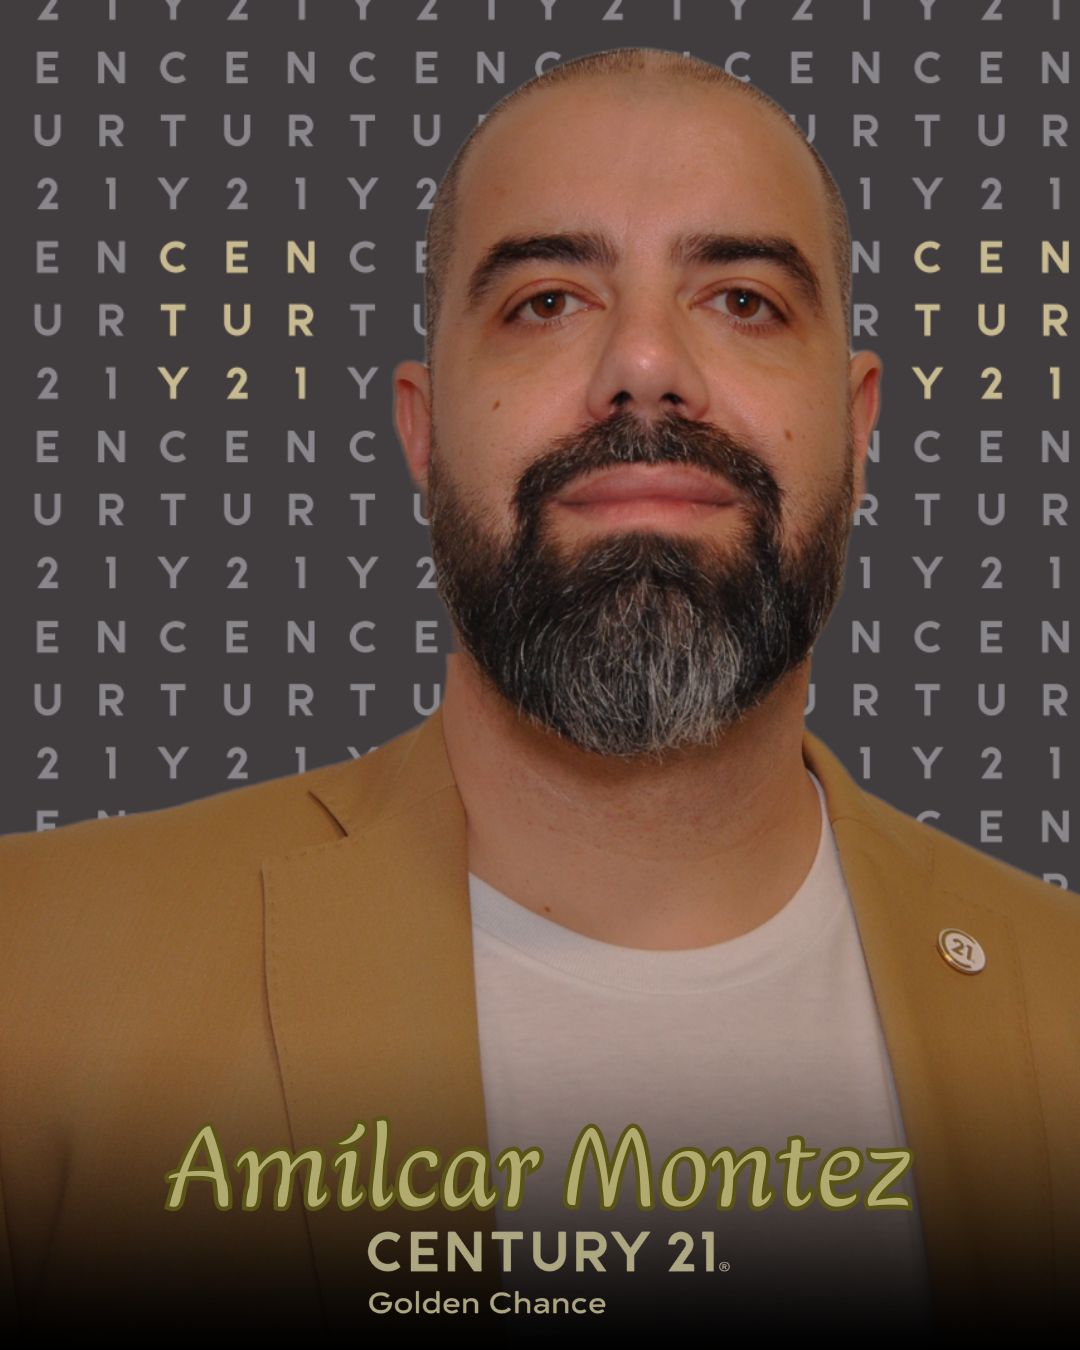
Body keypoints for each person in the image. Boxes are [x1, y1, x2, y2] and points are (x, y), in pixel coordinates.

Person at [1, 46, 1077, 1333]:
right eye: (547, 300)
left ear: (858, 427)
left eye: (743, 300)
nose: (645, 364)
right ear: (422, 429)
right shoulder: (31, 969)